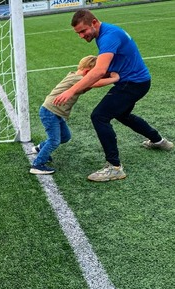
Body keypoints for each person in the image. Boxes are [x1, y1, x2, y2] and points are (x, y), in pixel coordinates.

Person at [53, 9, 173, 182]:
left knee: (99, 116)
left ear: (94, 23)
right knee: (122, 114)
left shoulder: (109, 36)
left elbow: (99, 71)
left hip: (133, 83)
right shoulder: (105, 33)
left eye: (83, 31)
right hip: (137, 81)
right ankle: (159, 141)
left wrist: (71, 90)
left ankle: (114, 167)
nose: (81, 36)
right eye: (78, 33)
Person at [30, 55, 119, 175]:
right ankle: (37, 165)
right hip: (50, 112)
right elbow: (95, 83)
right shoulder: (77, 78)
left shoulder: (74, 75)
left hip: (56, 113)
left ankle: (40, 148)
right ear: (88, 72)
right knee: (54, 140)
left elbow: (87, 86)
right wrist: (114, 78)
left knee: (65, 137)